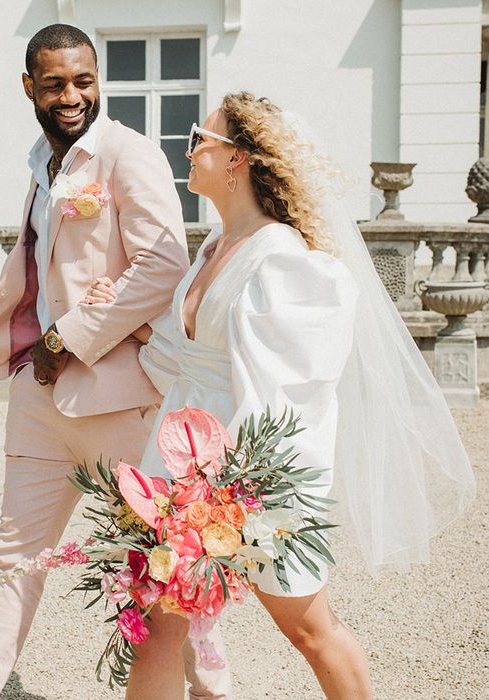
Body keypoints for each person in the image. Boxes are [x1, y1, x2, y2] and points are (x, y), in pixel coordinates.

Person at [85, 92, 475, 699]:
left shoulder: (288, 264)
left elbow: (290, 401)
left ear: (238, 158)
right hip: (179, 468)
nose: (188, 151)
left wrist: (229, 500)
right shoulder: (212, 250)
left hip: (250, 481)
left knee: (309, 629)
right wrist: (115, 311)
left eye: (199, 138)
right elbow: (180, 357)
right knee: (155, 630)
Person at [0, 24, 231, 700]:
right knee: (12, 561)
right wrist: (33, 359)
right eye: (55, 84)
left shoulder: (128, 155)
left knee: (165, 566)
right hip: (38, 404)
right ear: (30, 88)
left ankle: (215, 691)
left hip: (117, 402)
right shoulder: (40, 168)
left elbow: (164, 266)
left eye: (84, 80)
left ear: (98, 78)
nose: (73, 95)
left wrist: (63, 340)